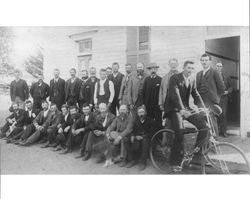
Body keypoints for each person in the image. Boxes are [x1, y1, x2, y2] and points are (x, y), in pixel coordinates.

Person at [165, 61, 208, 172]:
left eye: (192, 68)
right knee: (179, 133)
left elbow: (195, 94)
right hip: (174, 109)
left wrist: (203, 108)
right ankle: (173, 162)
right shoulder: (174, 78)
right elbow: (175, 95)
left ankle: (194, 156)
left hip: (186, 108)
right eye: (188, 67)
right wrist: (181, 109)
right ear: (184, 68)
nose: (190, 70)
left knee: (204, 127)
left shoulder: (192, 79)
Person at [196, 54, 225, 137]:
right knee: (203, 123)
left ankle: (215, 145)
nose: (204, 62)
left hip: (211, 102)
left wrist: (216, 99)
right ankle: (205, 145)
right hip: (201, 103)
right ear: (201, 61)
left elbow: (222, 88)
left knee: (212, 123)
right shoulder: (199, 74)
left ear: (210, 61)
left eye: (206, 60)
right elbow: (196, 90)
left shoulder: (214, 72)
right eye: (202, 60)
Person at [126, 105, 156, 171]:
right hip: (138, 137)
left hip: (147, 138)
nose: (141, 114)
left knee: (145, 141)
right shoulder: (136, 121)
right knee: (128, 140)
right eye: (139, 113)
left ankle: (143, 162)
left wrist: (143, 136)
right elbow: (133, 130)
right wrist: (134, 136)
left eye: (142, 112)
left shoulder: (150, 121)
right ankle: (133, 159)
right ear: (137, 113)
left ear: (145, 113)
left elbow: (152, 132)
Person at [142, 62, 162, 130]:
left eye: (154, 69)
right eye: (151, 69)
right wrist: (143, 104)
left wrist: (161, 104)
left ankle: (159, 137)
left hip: (157, 105)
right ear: (149, 70)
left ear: (156, 70)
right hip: (148, 105)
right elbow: (143, 92)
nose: (153, 70)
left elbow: (162, 93)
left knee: (158, 121)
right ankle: (149, 137)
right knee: (148, 121)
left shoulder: (160, 79)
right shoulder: (147, 80)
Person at [216, 61, 233, 137]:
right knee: (216, 114)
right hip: (215, 98)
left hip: (224, 98)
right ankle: (217, 132)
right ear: (215, 67)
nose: (219, 67)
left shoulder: (226, 76)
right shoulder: (213, 76)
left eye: (220, 66)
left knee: (223, 114)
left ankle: (224, 132)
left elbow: (231, 87)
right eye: (217, 66)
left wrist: (227, 92)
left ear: (222, 67)